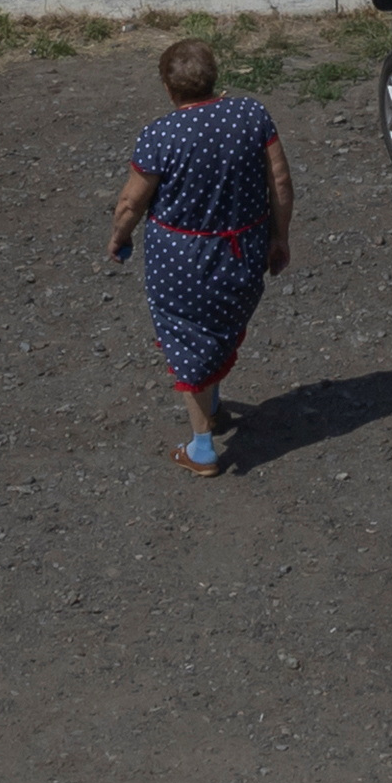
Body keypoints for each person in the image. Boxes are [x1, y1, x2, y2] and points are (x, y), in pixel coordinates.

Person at [106, 37, 296, 474]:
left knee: (187, 338)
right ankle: (211, 405)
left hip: (182, 259)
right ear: (215, 77)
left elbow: (131, 204)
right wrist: (279, 236)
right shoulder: (252, 115)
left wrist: (119, 237)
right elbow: (280, 183)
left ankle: (202, 448)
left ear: (170, 90)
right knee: (220, 328)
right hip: (243, 249)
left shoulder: (159, 136)